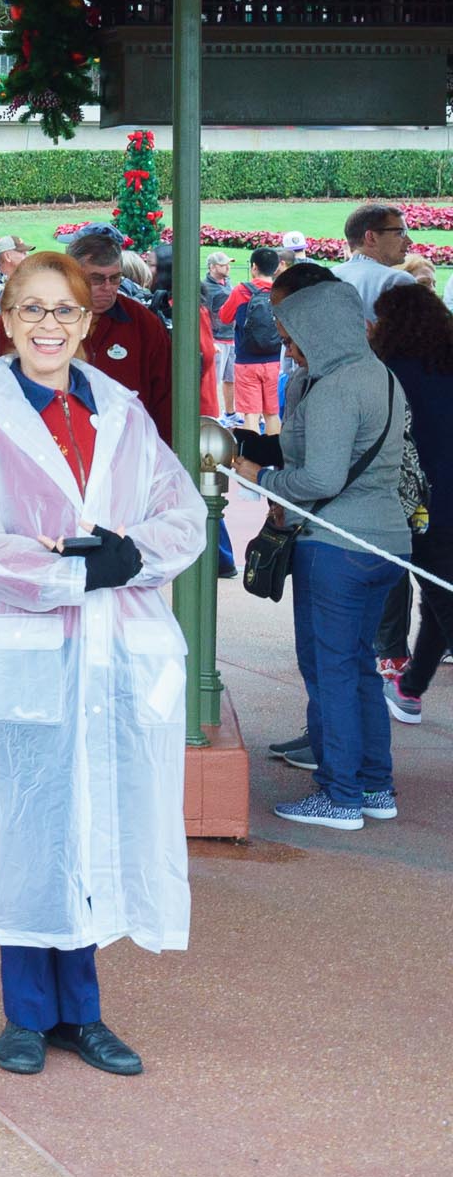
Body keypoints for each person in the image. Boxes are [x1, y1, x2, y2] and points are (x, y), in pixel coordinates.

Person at [0, 249, 204, 1080]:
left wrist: (129, 557)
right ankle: (27, 1013)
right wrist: (67, 572)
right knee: (27, 820)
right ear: (6, 320)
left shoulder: (121, 410)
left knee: (94, 818)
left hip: (113, 644)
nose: (49, 325)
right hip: (29, 640)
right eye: (33, 310)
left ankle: (83, 1013)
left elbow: (181, 511)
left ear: (88, 324)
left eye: (66, 312)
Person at [235, 276, 409, 831]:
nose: (287, 347)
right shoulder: (378, 375)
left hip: (337, 548)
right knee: (359, 670)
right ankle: (374, 786)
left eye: (294, 336)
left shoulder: (335, 387)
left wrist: (256, 473)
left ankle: (338, 796)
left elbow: (319, 478)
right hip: (384, 543)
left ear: (323, 330)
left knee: (330, 671)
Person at [0, 229, 173, 443]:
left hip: (123, 455)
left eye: (115, 278)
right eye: (96, 279)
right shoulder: (19, 323)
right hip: (38, 453)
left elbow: (165, 401)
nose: (108, 288)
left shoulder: (143, 324)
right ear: (70, 274)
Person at [369, 284, 453, 725]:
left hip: (423, 502)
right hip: (441, 498)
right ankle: (411, 687)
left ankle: (410, 688)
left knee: (442, 598)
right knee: (439, 596)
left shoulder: (391, 372)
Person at [215, 246, 286, 436]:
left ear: (254, 267)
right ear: (276, 267)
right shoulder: (281, 292)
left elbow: (224, 317)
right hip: (274, 360)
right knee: (272, 414)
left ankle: (253, 459)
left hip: (246, 361)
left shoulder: (241, 291)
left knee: (251, 415)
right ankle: (273, 460)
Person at [336, 202, 418, 319]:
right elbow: (412, 335)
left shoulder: (329, 276)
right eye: (400, 233)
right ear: (371, 237)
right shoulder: (396, 281)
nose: (409, 241)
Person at [204, 252, 237, 416]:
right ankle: (212, 416)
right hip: (217, 340)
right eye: (224, 264)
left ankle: (230, 413)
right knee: (213, 381)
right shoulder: (206, 288)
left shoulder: (227, 283)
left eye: (228, 263)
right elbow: (204, 314)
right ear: (213, 267)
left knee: (231, 378)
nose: (228, 267)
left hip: (231, 337)